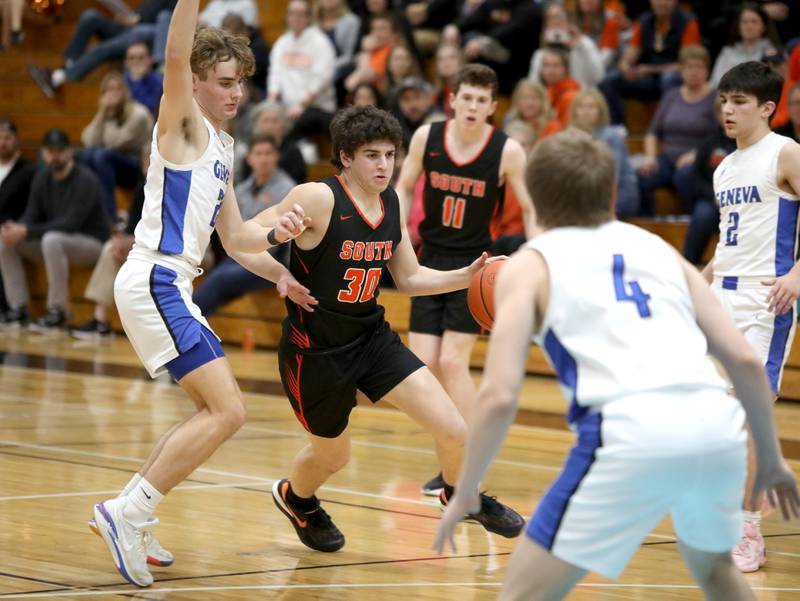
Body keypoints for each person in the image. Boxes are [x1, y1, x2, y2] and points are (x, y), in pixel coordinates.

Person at [434, 129, 800, 600]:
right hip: (715, 431)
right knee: (716, 575)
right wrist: (769, 458)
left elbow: (500, 394)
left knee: (520, 594)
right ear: (609, 192)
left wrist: (466, 490)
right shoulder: (657, 249)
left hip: (628, 437)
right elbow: (747, 362)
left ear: (538, 199)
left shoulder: (531, 264)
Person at [88, 0, 317, 588]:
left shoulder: (222, 145)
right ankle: (126, 512)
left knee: (213, 410)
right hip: (153, 277)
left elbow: (238, 237)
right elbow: (172, 51)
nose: (236, 93)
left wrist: (282, 266)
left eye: (240, 82)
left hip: (172, 285)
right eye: (223, 82)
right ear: (194, 83)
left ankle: (131, 515)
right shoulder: (181, 120)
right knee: (229, 410)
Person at [248, 105, 524, 553]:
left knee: (455, 429)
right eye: (372, 155)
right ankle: (296, 498)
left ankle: (461, 496)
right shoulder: (319, 197)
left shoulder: (390, 202)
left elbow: (410, 278)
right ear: (345, 157)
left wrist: (466, 276)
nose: (384, 165)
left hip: (372, 340)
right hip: (315, 352)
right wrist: (278, 273)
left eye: (390, 155)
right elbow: (241, 235)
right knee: (334, 458)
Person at [395, 64, 534, 496]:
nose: (472, 106)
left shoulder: (508, 152)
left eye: (481, 100)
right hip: (428, 261)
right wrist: (396, 234)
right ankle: (453, 464)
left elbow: (530, 208)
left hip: (475, 267)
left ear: (493, 107)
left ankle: (472, 461)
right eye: (466, 97)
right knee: (425, 369)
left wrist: (540, 254)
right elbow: (402, 188)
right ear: (452, 99)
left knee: (454, 363)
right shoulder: (426, 138)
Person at [701, 60, 800, 573]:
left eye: (739, 101)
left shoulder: (785, 152)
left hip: (768, 302)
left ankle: (749, 529)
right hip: (723, 295)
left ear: (767, 107)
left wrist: (799, 272)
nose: (728, 109)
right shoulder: (724, 167)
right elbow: (731, 237)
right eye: (724, 100)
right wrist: (701, 280)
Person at [0, 129, 110, 330]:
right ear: (43, 153)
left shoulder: (85, 180)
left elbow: (70, 224)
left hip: (92, 245)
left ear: (70, 152)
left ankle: (57, 310)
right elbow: (31, 215)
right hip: (56, 243)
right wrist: (16, 228)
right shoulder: (42, 178)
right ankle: (18, 307)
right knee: (6, 240)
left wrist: (25, 231)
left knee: (51, 239)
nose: (55, 156)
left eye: (60, 150)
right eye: (50, 151)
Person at [193, 134, 296, 316]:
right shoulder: (241, 190)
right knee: (216, 281)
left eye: (268, 153)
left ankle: (188, 324)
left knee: (220, 280)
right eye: (258, 153)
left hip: (272, 260)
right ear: (249, 158)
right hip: (241, 256)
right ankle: (195, 323)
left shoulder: (287, 188)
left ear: (276, 157)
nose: (263, 158)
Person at [637, 45, 716, 216]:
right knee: (643, 176)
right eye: (689, 66)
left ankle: (689, 219)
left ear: (707, 71)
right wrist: (650, 157)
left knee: (684, 176)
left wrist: (696, 154)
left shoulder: (715, 97)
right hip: (667, 158)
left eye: (699, 67)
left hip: (699, 161)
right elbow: (652, 132)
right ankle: (648, 224)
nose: (694, 71)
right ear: (681, 70)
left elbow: (720, 136)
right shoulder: (671, 96)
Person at [80, 71, 154, 218]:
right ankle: (90, 212)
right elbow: (87, 141)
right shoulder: (106, 113)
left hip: (139, 166)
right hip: (113, 164)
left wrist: (106, 116)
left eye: (117, 88)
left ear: (125, 91)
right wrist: (102, 113)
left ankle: (109, 215)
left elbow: (118, 141)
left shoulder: (138, 113)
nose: (112, 93)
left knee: (101, 156)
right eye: (108, 90)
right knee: (87, 155)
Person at [568, 87, 639, 217]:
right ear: (574, 111)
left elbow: (611, 177)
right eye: (581, 107)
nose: (586, 111)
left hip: (617, 196)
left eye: (591, 107)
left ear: (600, 111)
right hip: (586, 196)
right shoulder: (569, 136)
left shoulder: (611, 137)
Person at [0, 119, 36, 321]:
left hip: (13, 227)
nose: (2, 142)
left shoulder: (28, 171)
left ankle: (9, 307)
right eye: (0, 138)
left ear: (16, 140)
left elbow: (31, 207)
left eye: (7, 138)